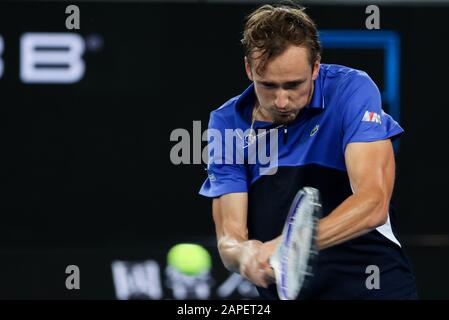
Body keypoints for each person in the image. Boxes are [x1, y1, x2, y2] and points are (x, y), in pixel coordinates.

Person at [199, 3, 417, 299]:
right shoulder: (226, 122)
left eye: (293, 85)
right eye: (268, 86)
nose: (281, 101)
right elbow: (229, 238)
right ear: (249, 70)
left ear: (315, 68)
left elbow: (373, 204)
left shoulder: (351, 90)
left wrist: (290, 244)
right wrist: (245, 255)